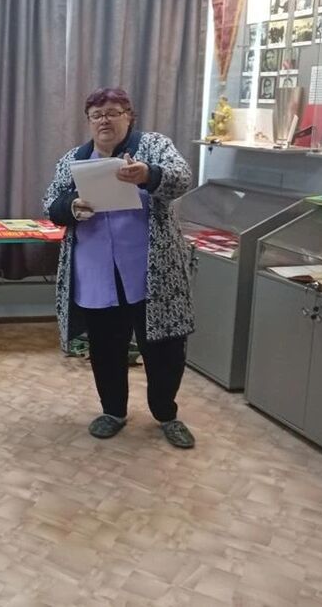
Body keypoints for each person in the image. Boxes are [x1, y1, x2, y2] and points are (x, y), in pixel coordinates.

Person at [43, 87, 196, 449]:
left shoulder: (153, 146)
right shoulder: (74, 159)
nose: (104, 121)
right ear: (89, 121)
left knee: (165, 349)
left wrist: (148, 175)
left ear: (129, 116)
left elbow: (182, 178)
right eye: (97, 115)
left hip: (152, 274)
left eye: (113, 112)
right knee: (105, 348)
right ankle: (113, 411)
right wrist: (71, 206)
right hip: (97, 273)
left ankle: (166, 414)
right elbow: (51, 203)